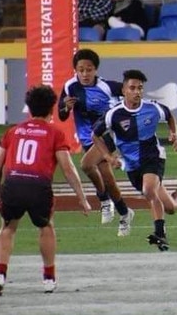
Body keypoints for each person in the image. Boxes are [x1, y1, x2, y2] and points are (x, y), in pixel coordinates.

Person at [0, 85, 92, 296]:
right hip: (38, 186)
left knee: (7, 227)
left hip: (14, 183)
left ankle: (0, 274)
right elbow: (67, 168)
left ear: (28, 108)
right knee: (46, 226)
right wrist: (82, 198)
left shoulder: (13, 131)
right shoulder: (54, 133)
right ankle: (48, 278)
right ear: (51, 109)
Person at [92, 69, 177, 251]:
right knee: (170, 207)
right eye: (132, 88)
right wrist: (107, 156)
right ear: (124, 90)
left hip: (152, 156)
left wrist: (174, 133)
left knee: (148, 190)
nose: (137, 91)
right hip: (131, 164)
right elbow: (95, 135)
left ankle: (160, 234)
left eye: (140, 88)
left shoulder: (152, 108)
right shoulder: (113, 114)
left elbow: (169, 116)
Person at [57, 48, 136, 236]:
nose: (85, 74)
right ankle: (125, 213)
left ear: (96, 70)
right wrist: (66, 108)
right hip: (86, 137)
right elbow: (61, 115)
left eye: (89, 69)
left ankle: (103, 200)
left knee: (85, 164)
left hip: (107, 134)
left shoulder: (107, 87)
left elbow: (131, 91)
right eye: (81, 69)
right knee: (107, 178)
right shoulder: (70, 87)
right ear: (75, 70)